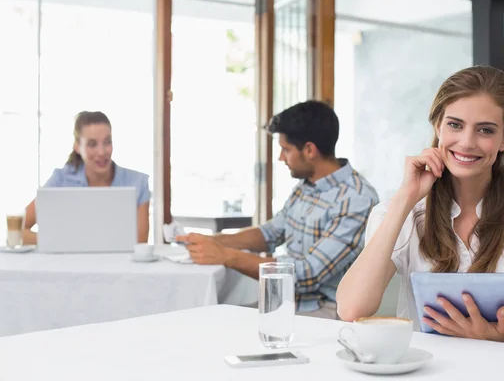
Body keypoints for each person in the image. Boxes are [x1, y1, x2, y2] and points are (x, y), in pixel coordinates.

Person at [336, 66, 504, 348]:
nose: (467, 143)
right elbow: (352, 310)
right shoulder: (402, 213)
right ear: (437, 127)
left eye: (485, 130)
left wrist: (497, 349)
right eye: (455, 125)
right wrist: (405, 199)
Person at [177, 100, 379, 319]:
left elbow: (306, 274)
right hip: (286, 303)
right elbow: (270, 233)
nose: (280, 158)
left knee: (214, 320)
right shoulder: (307, 187)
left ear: (310, 150)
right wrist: (215, 241)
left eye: (285, 149)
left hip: (325, 313)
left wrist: (225, 256)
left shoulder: (356, 199)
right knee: (204, 317)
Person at [23, 111, 151, 244]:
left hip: (120, 264)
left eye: (107, 142)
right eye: (92, 144)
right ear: (77, 146)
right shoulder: (60, 180)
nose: (101, 152)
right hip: (69, 264)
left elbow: (140, 243)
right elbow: (18, 231)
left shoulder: (137, 182)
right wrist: (60, 242)